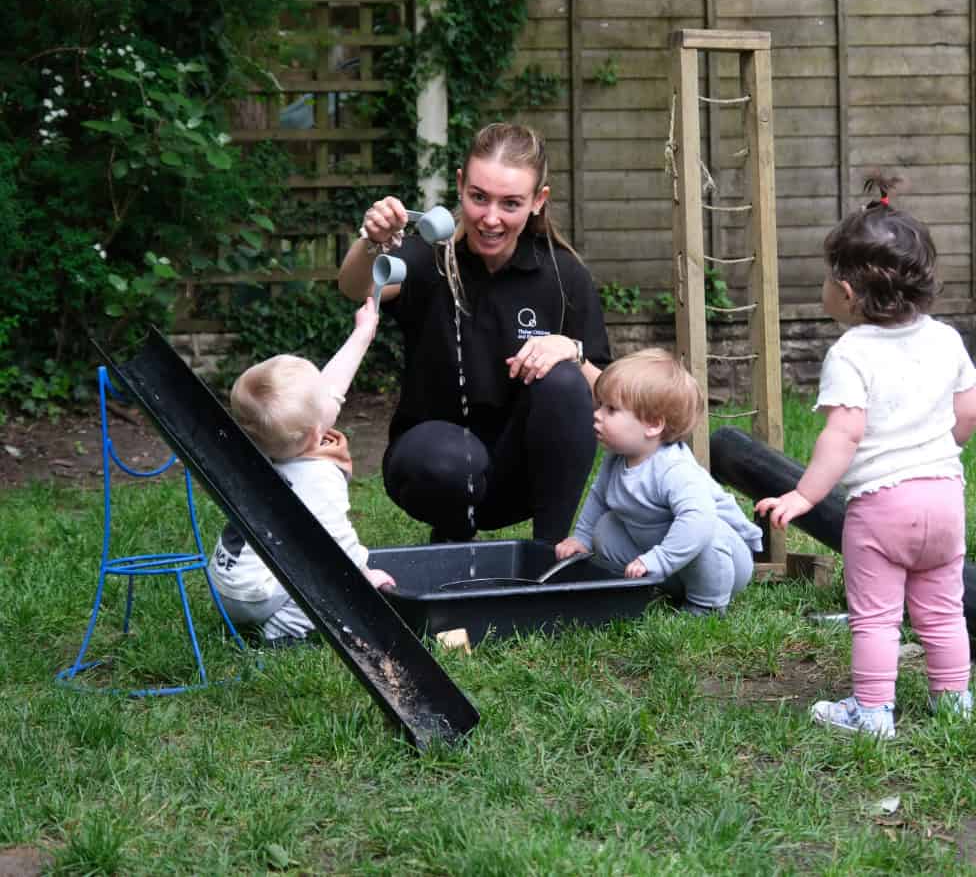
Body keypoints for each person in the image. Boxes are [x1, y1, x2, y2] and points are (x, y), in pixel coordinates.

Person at [756, 177, 976, 739]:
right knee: (943, 609)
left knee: (876, 615)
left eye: (828, 276)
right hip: (945, 497)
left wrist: (804, 494)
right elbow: (968, 412)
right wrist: (941, 452)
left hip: (882, 506)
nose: (824, 286)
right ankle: (953, 700)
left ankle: (872, 712)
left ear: (849, 292)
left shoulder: (851, 352)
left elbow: (845, 434)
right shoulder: (947, 338)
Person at [337, 122, 612, 543]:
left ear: (538, 201)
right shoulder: (430, 258)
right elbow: (355, 287)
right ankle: (452, 541)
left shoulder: (564, 275)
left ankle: (548, 555)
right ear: (461, 185)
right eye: (478, 197)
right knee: (448, 460)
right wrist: (373, 241)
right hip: (431, 464)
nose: (490, 218)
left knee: (564, 379)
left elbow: (609, 397)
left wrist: (572, 352)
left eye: (511, 203)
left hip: (521, 476)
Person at [209, 298, 396, 645]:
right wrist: (364, 575)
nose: (331, 395)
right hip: (257, 595)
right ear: (315, 434)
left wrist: (362, 334)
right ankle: (283, 632)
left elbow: (328, 392)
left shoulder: (260, 447)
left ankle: (265, 618)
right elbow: (337, 541)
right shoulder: (317, 478)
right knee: (330, 584)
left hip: (226, 579)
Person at [555, 347, 761, 615]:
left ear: (653, 425)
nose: (597, 414)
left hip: (725, 565)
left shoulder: (674, 469)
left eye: (612, 410)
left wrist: (660, 558)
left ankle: (706, 605)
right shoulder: (617, 459)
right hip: (665, 559)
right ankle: (643, 585)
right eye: (600, 405)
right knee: (605, 529)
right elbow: (598, 497)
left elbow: (698, 520)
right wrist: (581, 537)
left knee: (705, 532)